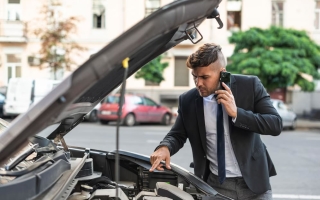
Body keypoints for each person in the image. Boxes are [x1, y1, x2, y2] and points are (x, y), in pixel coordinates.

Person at [149, 43, 282, 199]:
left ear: (222, 73)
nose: (198, 83)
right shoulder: (188, 100)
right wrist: (165, 147)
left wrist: (237, 113)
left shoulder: (250, 86)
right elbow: (177, 134)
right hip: (215, 186)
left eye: (205, 77)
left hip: (254, 185)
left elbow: (275, 124)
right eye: (195, 76)